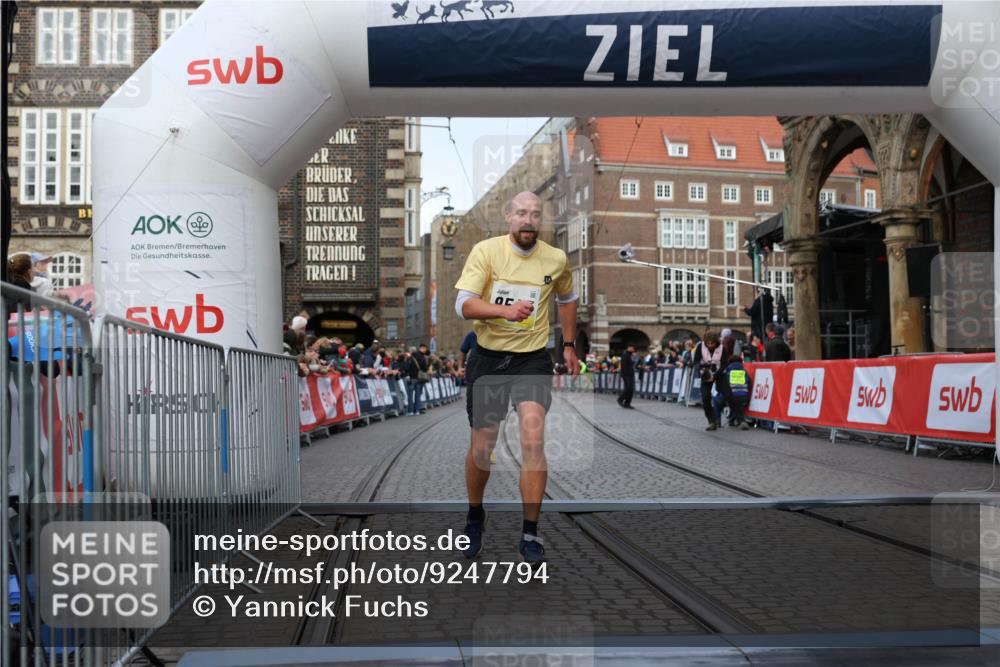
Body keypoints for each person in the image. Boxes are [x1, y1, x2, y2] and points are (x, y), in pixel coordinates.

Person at [454, 190, 578, 567]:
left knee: (532, 438)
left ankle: (529, 531)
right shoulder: (486, 251)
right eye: (521, 213)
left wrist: (569, 345)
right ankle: (475, 514)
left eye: (535, 214)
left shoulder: (555, 259)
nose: (528, 220)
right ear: (508, 216)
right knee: (482, 448)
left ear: (541, 220)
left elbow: (568, 299)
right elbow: (463, 304)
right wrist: (502, 312)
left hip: (532, 360)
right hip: (489, 359)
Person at [712, 337, 751, 430]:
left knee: (716, 401)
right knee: (735, 399)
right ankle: (734, 420)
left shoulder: (727, 372)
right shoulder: (744, 372)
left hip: (731, 398)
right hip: (744, 399)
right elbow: (749, 384)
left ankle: (717, 422)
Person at [692, 332, 723, 430]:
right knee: (705, 398)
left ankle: (740, 419)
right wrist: (701, 369)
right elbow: (696, 361)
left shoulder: (721, 347)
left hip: (720, 373)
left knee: (728, 394)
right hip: (706, 374)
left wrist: (717, 373)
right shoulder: (700, 346)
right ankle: (712, 421)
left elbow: (725, 361)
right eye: (707, 343)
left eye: (712, 343)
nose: (710, 345)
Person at [404, 345, 429, 415]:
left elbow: (406, 367)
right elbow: (425, 368)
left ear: (410, 351)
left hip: (411, 378)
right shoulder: (422, 357)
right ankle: (417, 411)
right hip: (420, 378)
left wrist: (407, 374)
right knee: (418, 395)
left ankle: (410, 411)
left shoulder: (410, 358)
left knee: (410, 395)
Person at [618, 344, 636, 409]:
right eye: (633, 348)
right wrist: (625, 375)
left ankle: (627, 403)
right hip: (626, 375)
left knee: (631, 389)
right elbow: (624, 365)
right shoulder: (625, 354)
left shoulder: (629, 355)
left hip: (630, 374)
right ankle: (620, 399)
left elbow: (631, 364)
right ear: (630, 348)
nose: (634, 350)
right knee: (628, 388)